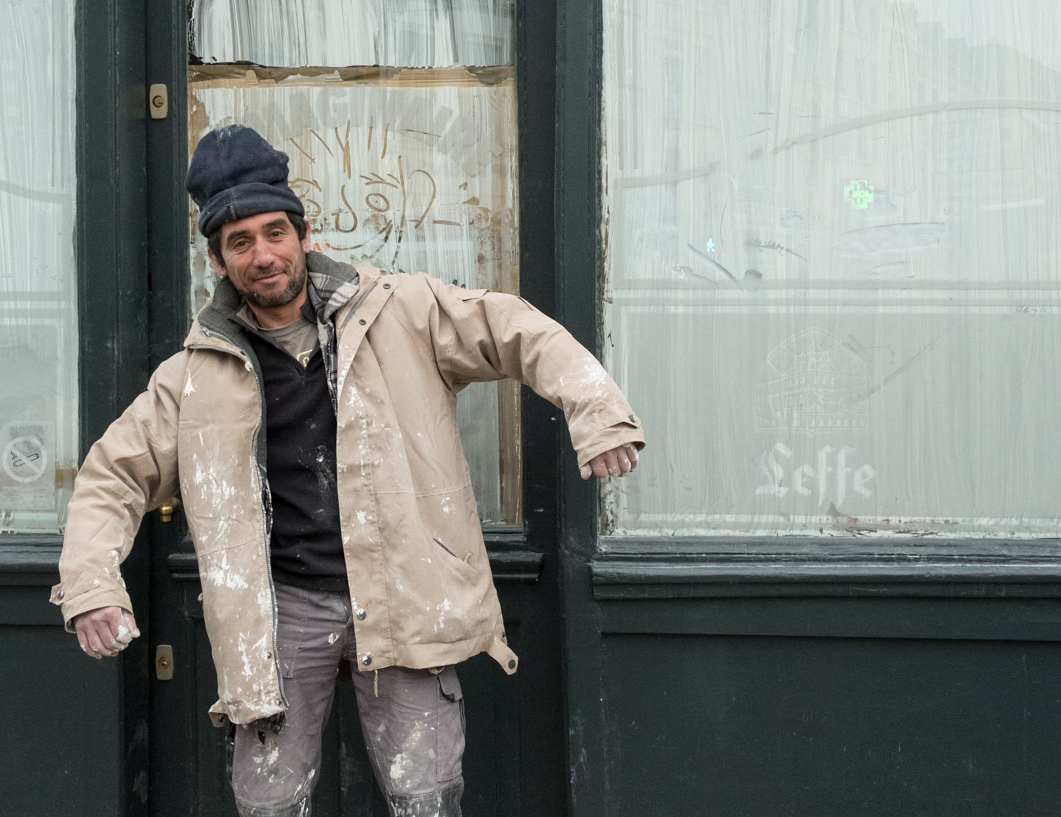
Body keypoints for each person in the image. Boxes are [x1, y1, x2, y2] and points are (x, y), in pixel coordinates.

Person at [52, 124, 644, 817]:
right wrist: (92, 583)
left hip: (404, 594)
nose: (263, 255)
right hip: (281, 609)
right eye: (240, 242)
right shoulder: (194, 374)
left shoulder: (402, 310)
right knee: (268, 803)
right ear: (216, 259)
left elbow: (516, 330)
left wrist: (597, 413)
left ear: (306, 235)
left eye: (275, 232)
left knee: (425, 797)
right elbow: (110, 476)